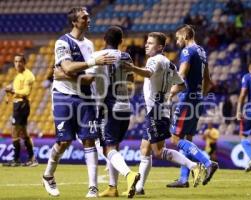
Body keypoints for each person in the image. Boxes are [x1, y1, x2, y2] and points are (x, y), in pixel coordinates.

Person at [42, 7, 115, 197]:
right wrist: (90, 64)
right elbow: (67, 66)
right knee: (64, 141)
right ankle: (48, 175)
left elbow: (86, 78)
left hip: (85, 97)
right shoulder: (62, 42)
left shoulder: (90, 45)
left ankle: (93, 187)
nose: (88, 20)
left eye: (88, 17)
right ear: (75, 22)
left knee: (89, 140)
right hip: (63, 96)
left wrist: (63, 75)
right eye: (84, 18)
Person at [123, 32, 203, 195]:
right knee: (145, 149)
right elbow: (182, 85)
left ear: (160, 47)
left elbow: (147, 72)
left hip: (156, 112)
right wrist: (165, 96)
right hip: (161, 109)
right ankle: (139, 188)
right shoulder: (169, 63)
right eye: (147, 42)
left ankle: (194, 166)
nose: (146, 45)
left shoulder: (154, 60)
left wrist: (132, 68)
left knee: (159, 151)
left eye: (151, 43)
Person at [87, 26, 140, 198]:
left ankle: (129, 174)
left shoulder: (97, 56)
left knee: (107, 149)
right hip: (125, 106)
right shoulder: (126, 56)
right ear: (121, 41)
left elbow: (88, 79)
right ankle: (112, 188)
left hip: (107, 107)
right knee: (114, 147)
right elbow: (131, 78)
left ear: (104, 38)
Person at [167, 25, 218, 188]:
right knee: (187, 139)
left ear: (186, 36)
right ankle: (183, 179)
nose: (177, 41)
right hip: (197, 100)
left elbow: (181, 74)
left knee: (175, 139)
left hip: (187, 100)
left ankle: (208, 163)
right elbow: (208, 81)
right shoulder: (202, 52)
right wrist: (199, 96)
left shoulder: (188, 51)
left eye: (178, 37)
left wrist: (171, 91)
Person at [2, 54, 38, 167]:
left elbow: (26, 92)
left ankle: (16, 159)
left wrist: (12, 91)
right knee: (23, 133)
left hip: (22, 105)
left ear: (24, 63)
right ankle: (31, 159)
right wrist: (9, 91)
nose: (17, 64)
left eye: (19, 62)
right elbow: (15, 87)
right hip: (17, 105)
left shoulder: (28, 75)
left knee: (15, 132)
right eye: (15, 61)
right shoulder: (18, 76)